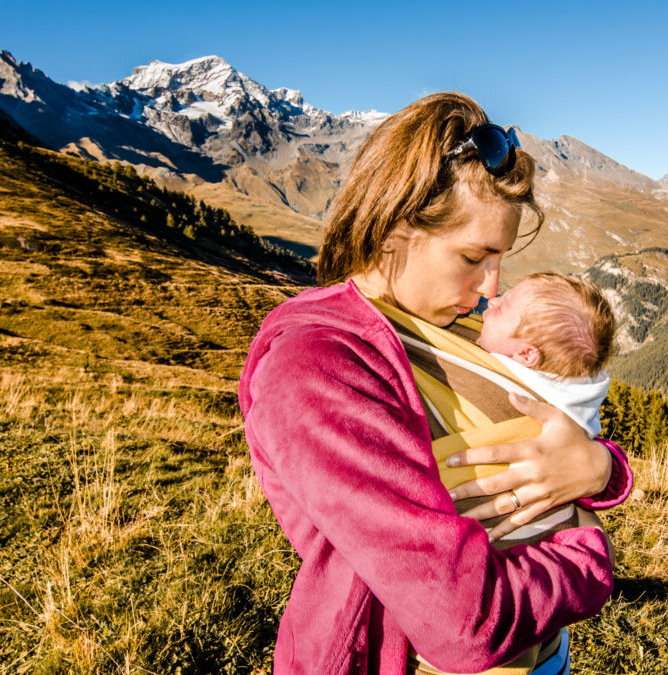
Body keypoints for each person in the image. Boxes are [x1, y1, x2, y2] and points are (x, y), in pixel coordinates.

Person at [238, 92, 633, 675]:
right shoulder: (314, 372)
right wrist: (589, 556)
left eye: (499, 259)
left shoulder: (432, 323)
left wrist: (600, 470)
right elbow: (466, 627)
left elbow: (532, 432)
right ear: (396, 227)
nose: (490, 288)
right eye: (475, 256)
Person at [478, 272, 615, 438]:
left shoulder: (509, 394)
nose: (492, 301)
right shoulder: (579, 406)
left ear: (527, 354)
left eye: (501, 308)